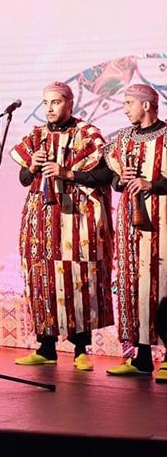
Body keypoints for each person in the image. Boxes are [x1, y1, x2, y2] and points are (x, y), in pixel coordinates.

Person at [10, 81, 113, 371]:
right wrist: (32, 166)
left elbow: (105, 176)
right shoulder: (36, 136)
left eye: (56, 102)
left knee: (78, 277)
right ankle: (46, 347)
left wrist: (67, 174)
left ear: (70, 103)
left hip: (75, 219)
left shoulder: (87, 134)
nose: (50, 108)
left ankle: (81, 349)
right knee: (42, 278)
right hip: (41, 220)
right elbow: (24, 179)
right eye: (46, 103)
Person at [104, 84, 166, 379]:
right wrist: (121, 179)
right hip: (130, 224)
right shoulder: (123, 138)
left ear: (147, 105)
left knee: (163, 286)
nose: (125, 108)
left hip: (162, 223)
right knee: (134, 286)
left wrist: (151, 184)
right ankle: (141, 358)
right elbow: (113, 178)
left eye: (129, 102)